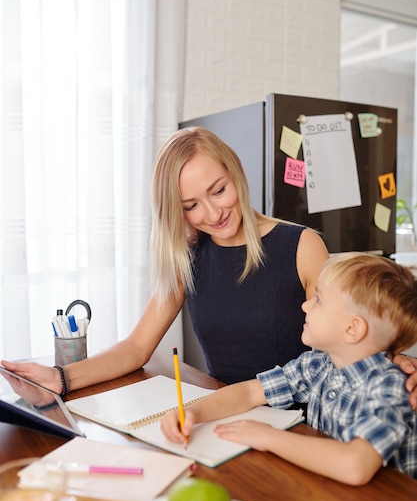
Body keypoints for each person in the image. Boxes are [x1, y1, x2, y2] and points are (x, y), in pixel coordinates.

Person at [2, 128, 417, 403]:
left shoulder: (302, 245)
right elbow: (136, 347)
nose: (213, 212)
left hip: (303, 419)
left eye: (218, 190)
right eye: (190, 206)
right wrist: (61, 377)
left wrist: (395, 358)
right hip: (225, 408)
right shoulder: (188, 255)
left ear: (235, 172)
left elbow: (349, 336)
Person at [161, 253, 417, 485]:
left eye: (318, 300)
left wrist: (269, 438)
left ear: (352, 329)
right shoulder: (317, 365)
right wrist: (193, 413)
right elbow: (249, 393)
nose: (305, 305)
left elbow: (355, 466)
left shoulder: (389, 387)